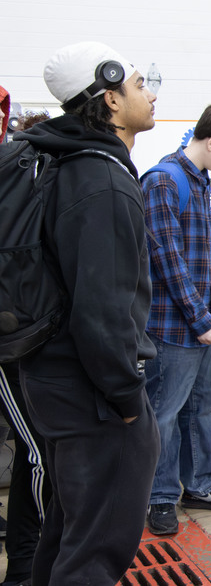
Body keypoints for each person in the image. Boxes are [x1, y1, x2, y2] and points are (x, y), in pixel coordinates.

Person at [17, 41, 161, 581]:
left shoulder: (61, 161)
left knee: (72, 527)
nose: (150, 94)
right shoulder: (101, 182)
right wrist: (126, 399)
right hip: (95, 395)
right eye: (140, 84)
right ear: (110, 98)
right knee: (97, 548)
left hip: (55, 381)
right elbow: (101, 312)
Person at [142, 103, 211, 536]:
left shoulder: (198, 180)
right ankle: (161, 497)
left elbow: (197, 256)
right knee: (164, 415)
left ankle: (203, 485)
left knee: (199, 413)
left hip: (203, 320)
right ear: (210, 142)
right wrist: (200, 318)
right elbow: (166, 260)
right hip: (174, 327)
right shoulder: (163, 182)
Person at [0, 107, 54, 586]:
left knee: (30, 453)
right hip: (14, 341)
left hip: (25, 335)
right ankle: (26, 566)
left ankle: (25, 562)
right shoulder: (23, 182)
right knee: (38, 454)